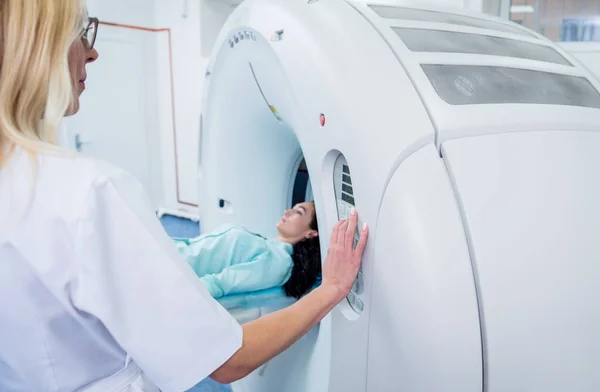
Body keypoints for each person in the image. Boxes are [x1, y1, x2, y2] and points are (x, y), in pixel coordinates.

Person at [0, 2, 369, 392]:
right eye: (80, 34)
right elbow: (228, 361)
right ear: (39, 49)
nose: (92, 51)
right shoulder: (90, 192)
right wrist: (332, 288)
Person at [175, 201, 322, 299]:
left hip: (176, 268)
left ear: (311, 233)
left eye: (298, 212)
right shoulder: (267, 244)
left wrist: (178, 294)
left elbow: (221, 283)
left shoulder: (279, 262)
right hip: (175, 252)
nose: (287, 211)